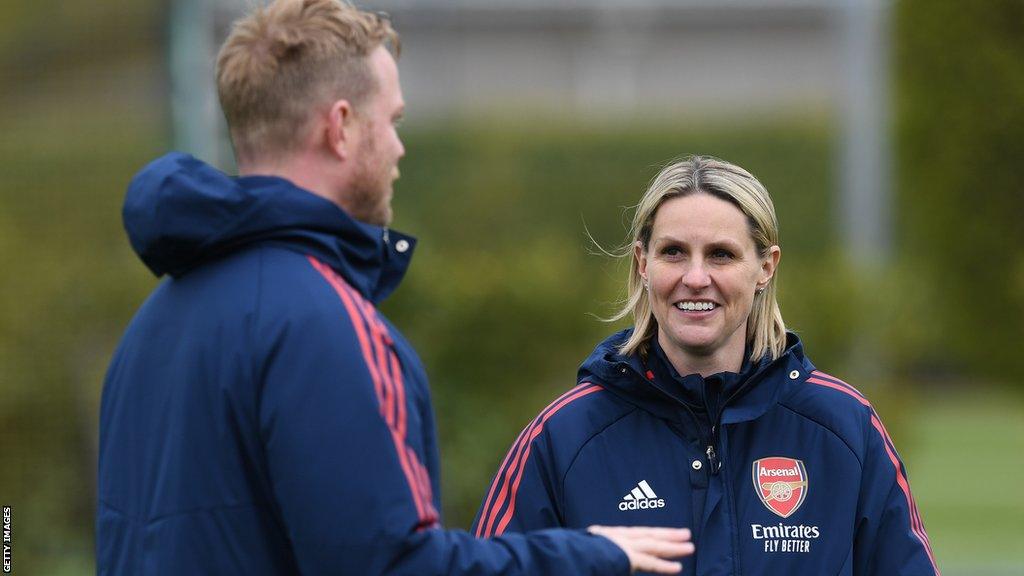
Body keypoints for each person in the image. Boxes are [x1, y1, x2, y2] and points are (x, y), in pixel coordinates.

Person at [95, 0, 695, 574]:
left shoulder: (152, 324)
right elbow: (391, 565)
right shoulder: (323, 323)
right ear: (341, 127)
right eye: (393, 121)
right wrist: (589, 557)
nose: (399, 148)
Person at [472, 156, 941, 575]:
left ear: (765, 267)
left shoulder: (844, 428)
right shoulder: (564, 437)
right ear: (643, 263)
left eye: (721, 254)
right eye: (673, 252)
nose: (696, 278)